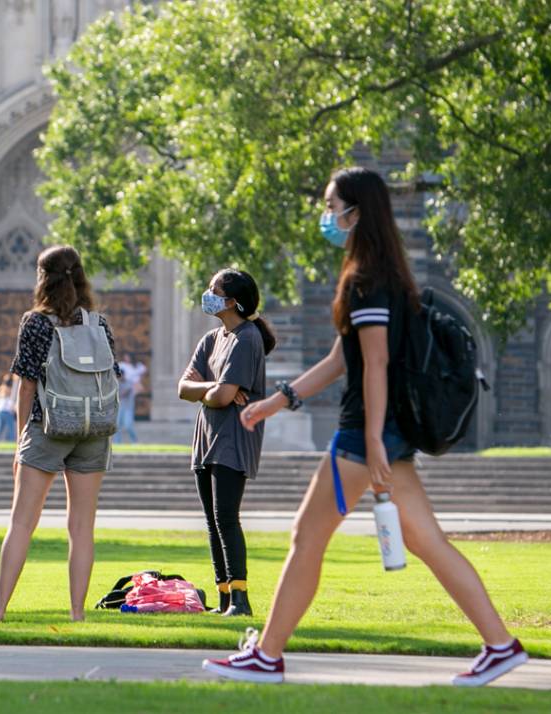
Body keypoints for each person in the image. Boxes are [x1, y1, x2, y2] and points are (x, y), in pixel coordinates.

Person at [202, 167, 527, 686]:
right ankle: (500, 645)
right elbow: (341, 358)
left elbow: (374, 364)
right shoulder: (379, 275)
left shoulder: (366, 280)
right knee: (426, 540)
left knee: (306, 537)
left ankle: (266, 654)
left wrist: (373, 439)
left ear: (356, 213)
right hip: (383, 432)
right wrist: (278, 402)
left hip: (363, 435)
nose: (326, 216)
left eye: (332, 207)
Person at [0, 245, 121, 623]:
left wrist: (21, 437)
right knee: (82, 527)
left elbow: (25, 385)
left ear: (43, 278)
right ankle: (77, 613)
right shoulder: (98, 323)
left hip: (48, 425)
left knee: (22, 522)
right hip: (93, 428)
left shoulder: (35, 322)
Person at [179, 269, 276, 617]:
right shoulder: (211, 339)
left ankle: (241, 599)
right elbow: (185, 388)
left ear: (232, 301)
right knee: (211, 520)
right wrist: (213, 388)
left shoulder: (247, 338)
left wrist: (211, 390)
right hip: (206, 439)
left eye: (214, 290)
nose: (208, 293)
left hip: (233, 440)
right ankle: (223, 597)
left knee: (226, 518)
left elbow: (223, 398)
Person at [115, 353, 147, 444]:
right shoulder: (117, 383)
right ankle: (117, 443)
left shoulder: (129, 382)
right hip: (119, 407)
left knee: (128, 425)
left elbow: (128, 391)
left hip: (128, 407)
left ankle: (134, 441)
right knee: (117, 425)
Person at [0, 374, 17, 442]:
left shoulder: (2, 387)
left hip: (0, 410)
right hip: (5, 411)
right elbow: (12, 396)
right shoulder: (5, 388)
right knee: (11, 428)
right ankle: (11, 442)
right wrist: (15, 382)